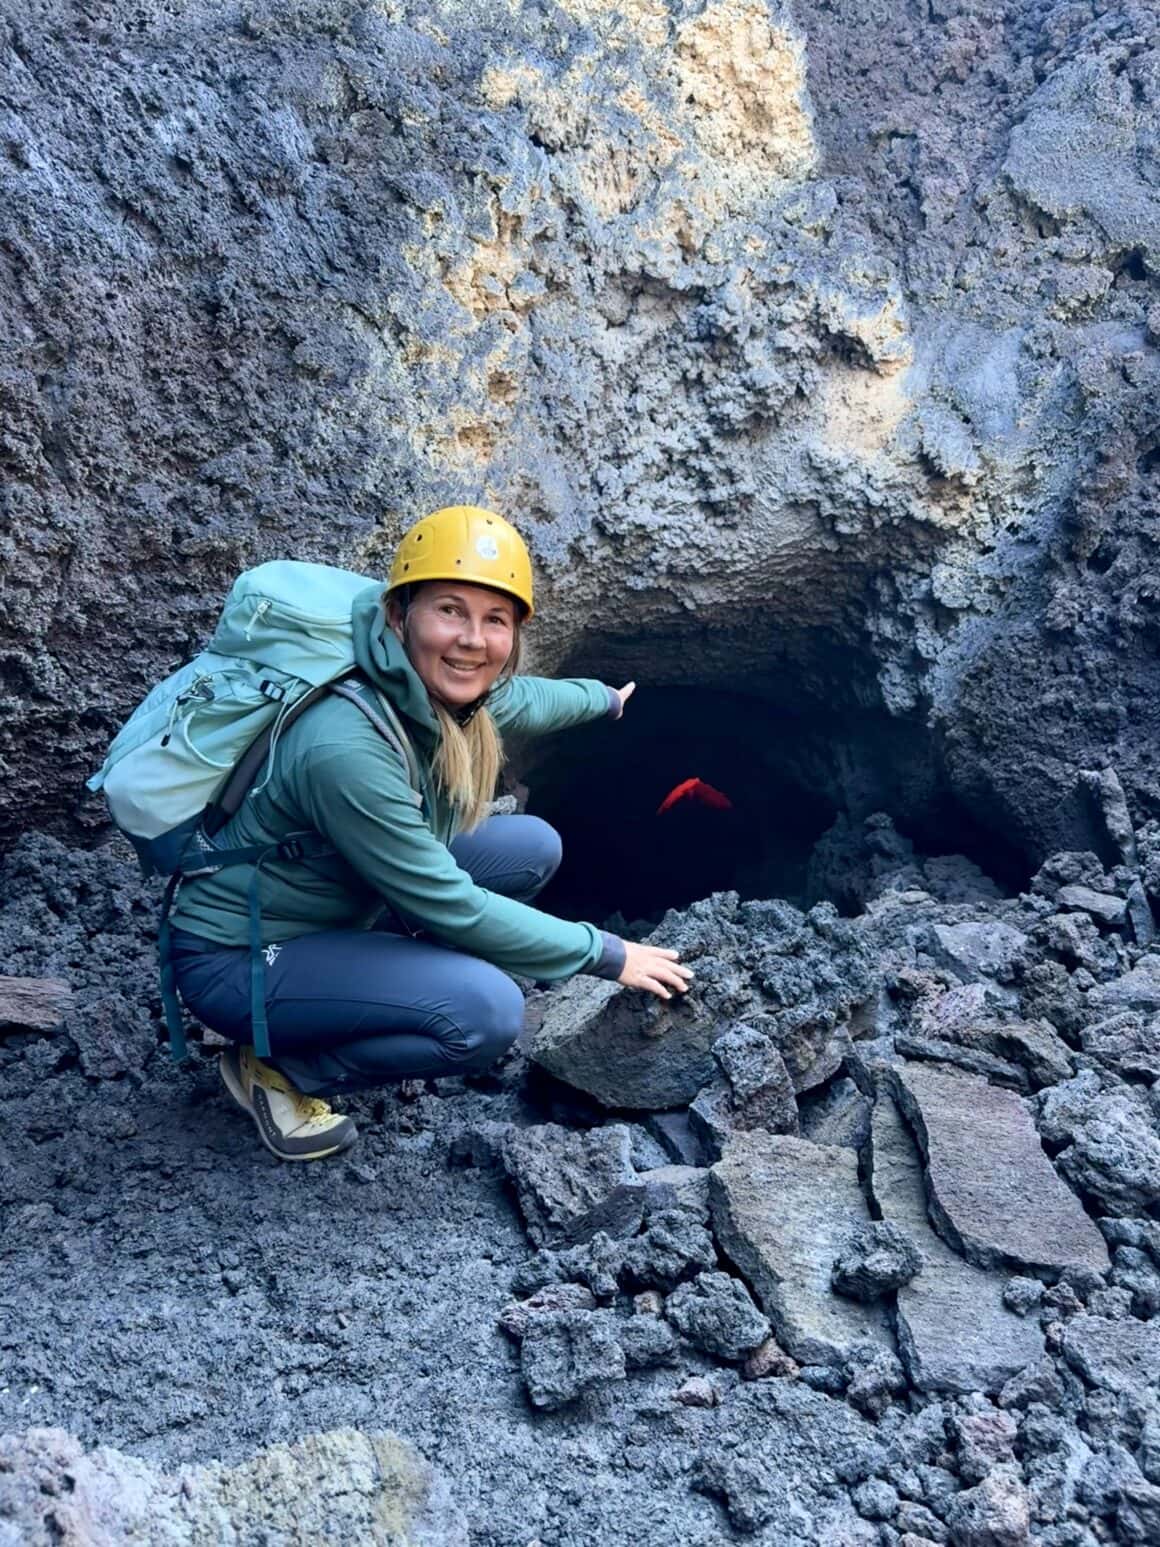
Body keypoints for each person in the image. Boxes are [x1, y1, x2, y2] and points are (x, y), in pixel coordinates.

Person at [169, 505, 693, 1160]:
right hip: (238, 955)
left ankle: (394, 980)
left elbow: (523, 699)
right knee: (487, 1012)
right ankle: (278, 1070)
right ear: (400, 613)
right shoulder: (346, 747)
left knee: (531, 845)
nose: (472, 638)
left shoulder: (434, 685)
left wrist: (605, 699)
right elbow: (448, 902)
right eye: (450, 609)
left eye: (495, 619)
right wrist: (610, 953)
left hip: (335, 901)